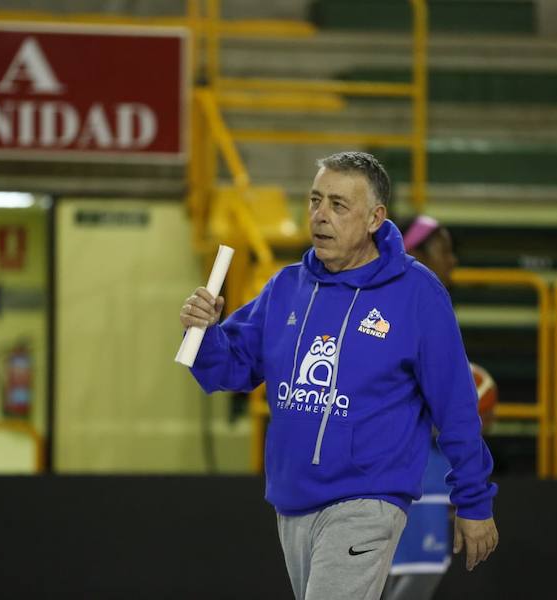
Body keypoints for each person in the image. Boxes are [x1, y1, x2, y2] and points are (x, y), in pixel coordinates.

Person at [179, 152, 499, 600]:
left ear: (375, 218)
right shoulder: (285, 287)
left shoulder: (418, 293)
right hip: (292, 500)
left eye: (337, 205)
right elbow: (227, 370)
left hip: (368, 498)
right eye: (315, 200)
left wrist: (474, 500)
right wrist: (205, 332)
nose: (320, 216)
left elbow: (457, 405)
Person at [382, 216, 499, 600]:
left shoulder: (425, 302)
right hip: (396, 470)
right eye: (444, 251)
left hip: (418, 471)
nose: (452, 262)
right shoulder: (397, 305)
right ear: (416, 252)